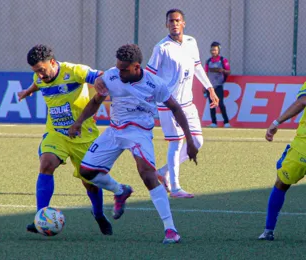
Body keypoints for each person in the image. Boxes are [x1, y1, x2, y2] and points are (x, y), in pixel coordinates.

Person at [68, 44, 198, 244]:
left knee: (147, 174)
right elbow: (95, 101)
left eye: (124, 69)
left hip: (139, 133)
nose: (119, 73)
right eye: (118, 67)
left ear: (137, 67)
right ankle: (120, 190)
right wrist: (78, 123)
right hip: (114, 131)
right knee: (86, 172)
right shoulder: (111, 76)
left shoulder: (155, 84)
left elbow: (175, 108)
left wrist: (189, 139)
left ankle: (170, 229)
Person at [18, 44, 112, 235]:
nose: (40, 75)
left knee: (90, 182)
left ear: (52, 62)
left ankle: (99, 214)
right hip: (56, 133)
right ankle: (41, 217)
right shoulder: (39, 77)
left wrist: (102, 81)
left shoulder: (74, 71)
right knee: (46, 163)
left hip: (83, 135)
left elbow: (99, 75)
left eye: (42, 70)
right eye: (36, 72)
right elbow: (39, 83)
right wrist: (28, 91)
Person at [146, 9, 219, 198]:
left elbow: (197, 66)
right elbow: (149, 74)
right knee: (177, 143)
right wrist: (147, 97)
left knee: (197, 141)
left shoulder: (191, 42)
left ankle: (163, 172)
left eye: (178, 20)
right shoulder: (161, 48)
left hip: (188, 103)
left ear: (183, 23)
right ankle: (176, 188)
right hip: (168, 104)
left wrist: (209, 88)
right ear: (166, 24)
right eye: (171, 21)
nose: (174, 24)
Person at [258, 82, 306, 241]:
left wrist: (276, 123)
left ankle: (268, 230)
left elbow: (302, 101)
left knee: (281, 183)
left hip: (303, 148)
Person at [204, 41, 231, 128]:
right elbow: (206, 73)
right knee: (211, 104)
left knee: (221, 104)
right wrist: (204, 86)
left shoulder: (223, 60)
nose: (213, 52)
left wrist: (222, 70)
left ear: (218, 50)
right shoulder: (208, 62)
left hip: (219, 85)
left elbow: (228, 71)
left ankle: (226, 122)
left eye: (215, 50)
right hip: (210, 86)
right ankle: (214, 122)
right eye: (212, 50)